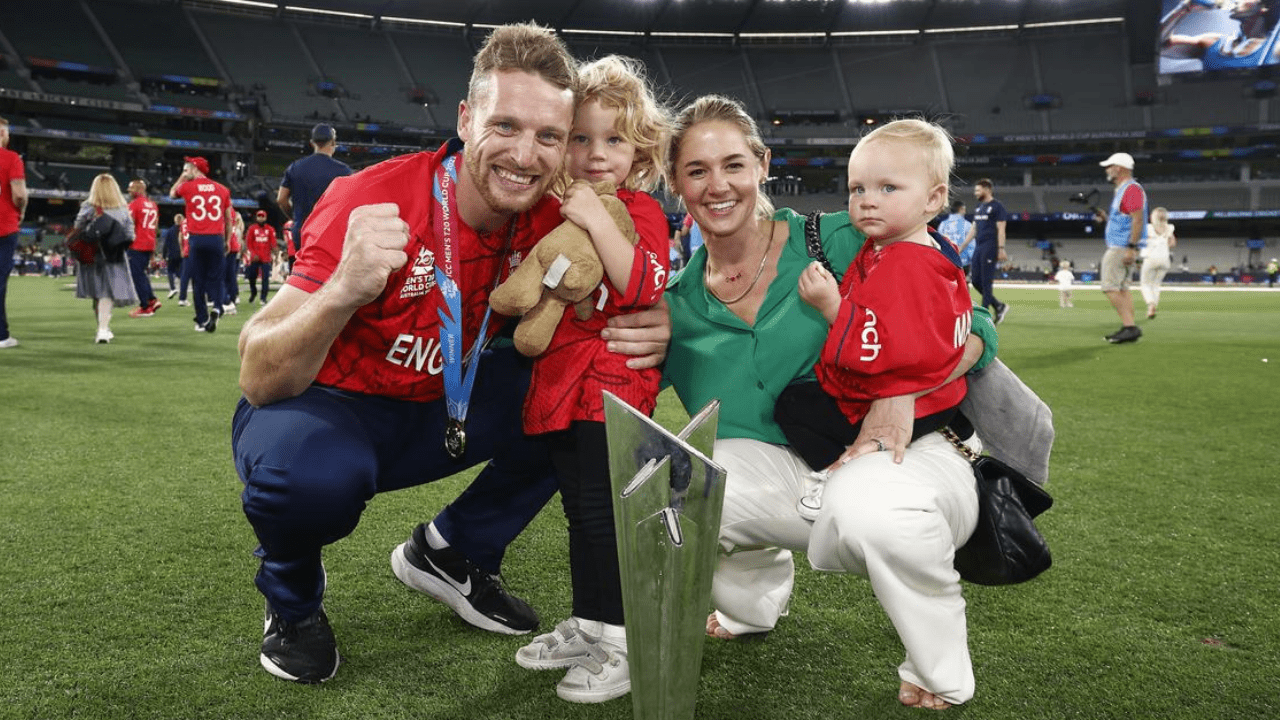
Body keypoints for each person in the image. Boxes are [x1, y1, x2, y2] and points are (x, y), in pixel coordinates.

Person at [232, 23, 662, 686]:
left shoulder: (553, 211)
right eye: (506, 126)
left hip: (444, 404)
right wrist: (343, 290)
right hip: (334, 406)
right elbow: (259, 374)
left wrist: (659, 320)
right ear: (466, 119)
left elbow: (634, 272)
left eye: (549, 136)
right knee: (307, 481)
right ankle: (292, 603)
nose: (526, 155)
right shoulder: (373, 196)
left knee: (583, 399)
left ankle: (453, 550)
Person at [655, 96, 998, 710]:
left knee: (870, 508)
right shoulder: (675, 307)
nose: (718, 185)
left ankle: (938, 666)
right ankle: (751, 605)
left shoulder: (844, 236)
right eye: (696, 170)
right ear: (674, 183)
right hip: (801, 472)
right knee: (676, 483)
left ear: (763, 165)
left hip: (912, 451)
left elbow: (974, 324)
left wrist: (900, 392)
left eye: (733, 164)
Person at [511, 54, 671, 704]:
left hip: (612, 388)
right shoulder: (551, 210)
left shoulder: (639, 211)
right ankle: (588, 622)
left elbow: (639, 284)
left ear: (640, 151)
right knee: (581, 515)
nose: (595, 153)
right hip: (558, 387)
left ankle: (623, 640)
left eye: (613, 139)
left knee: (607, 519)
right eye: (580, 138)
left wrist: (598, 218)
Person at [67, 174, 138, 343]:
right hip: (114, 255)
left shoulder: (88, 206)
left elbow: (78, 227)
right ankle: (103, 329)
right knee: (107, 293)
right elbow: (130, 234)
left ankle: (102, 327)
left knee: (97, 293)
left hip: (91, 255)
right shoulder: (122, 208)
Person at [168, 156, 231, 332]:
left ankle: (202, 320)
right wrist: (227, 239)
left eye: (187, 168)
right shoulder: (222, 189)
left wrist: (182, 176)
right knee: (217, 278)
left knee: (198, 282)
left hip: (196, 238)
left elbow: (172, 194)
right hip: (216, 237)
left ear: (194, 169)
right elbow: (227, 218)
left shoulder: (188, 187)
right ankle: (218, 308)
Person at [277, 123, 351, 257]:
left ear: (312, 143)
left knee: (302, 272)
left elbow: (281, 199)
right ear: (333, 142)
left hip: (302, 230)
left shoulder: (295, 167)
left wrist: (295, 217)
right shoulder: (344, 171)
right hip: (330, 232)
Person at [1095, 152, 1147, 343]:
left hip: (1120, 247)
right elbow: (1127, 219)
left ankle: (1130, 327)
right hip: (1124, 245)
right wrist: (1106, 219)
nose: (1107, 170)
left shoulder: (1130, 189)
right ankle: (1129, 328)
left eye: (1110, 166)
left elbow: (1138, 219)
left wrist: (1131, 247)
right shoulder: (1126, 190)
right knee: (1123, 289)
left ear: (1119, 168)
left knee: (1110, 287)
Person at [1160, 0, 1280, 72]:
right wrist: (1185, 8)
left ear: (1263, 8)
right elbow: (1162, 44)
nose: (1236, 0)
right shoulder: (1212, 43)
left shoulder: (1274, 49)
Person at [959, 179, 1009, 323]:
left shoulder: (997, 207)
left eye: (978, 190)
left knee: (986, 282)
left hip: (990, 246)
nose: (975, 193)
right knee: (975, 281)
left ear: (987, 189)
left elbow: (1001, 230)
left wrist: (1001, 248)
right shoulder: (978, 207)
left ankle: (984, 316)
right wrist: (962, 246)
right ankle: (998, 305)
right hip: (979, 246)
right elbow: (974, 228)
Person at [0, 116, 28, 349]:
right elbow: (18, 194)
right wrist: (22, 209)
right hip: (4, 226)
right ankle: (0, 335)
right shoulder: (11, 158)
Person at [125, 179, 161, 318]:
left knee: (136, 275)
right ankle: (152, 299)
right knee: (142, 273)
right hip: (149, 242)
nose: (130, 193)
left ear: (139, 189)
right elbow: (156, 227)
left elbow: (129, 225)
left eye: (132, 189)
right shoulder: (153, 205)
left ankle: (145, 306)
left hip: (136, 244)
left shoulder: (134, 205)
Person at [1141, 206, 1177, 318]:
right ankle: (1154, 306)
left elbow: (1140, 241)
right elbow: (1173, 244)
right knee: (1156, 285)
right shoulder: (1169, 228)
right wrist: (1163, 242)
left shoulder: (1148, 228)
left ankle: (1151, 305)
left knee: (1145, 284)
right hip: (1164, 259)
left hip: (1151, 258)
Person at [244, 209, 276, 305]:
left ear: (265, 218)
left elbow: (273, 242)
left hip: (266, 257)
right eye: (259, 216)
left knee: (265, 278)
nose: (261, 218)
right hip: (255, 258)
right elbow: (248, 243)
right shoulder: (252, 229)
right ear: (256, 217)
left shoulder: (270, 229)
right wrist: (253, 254)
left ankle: (263, 298)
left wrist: (276, 252)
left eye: (262, 216)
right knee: (251, 277)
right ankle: (253, 292)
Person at [936, 200, 974, 277]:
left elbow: (938, 243)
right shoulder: (967, 225)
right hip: (963, 260)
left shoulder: (943, 225)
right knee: (964, 285)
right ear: (961, 209)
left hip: (947, 259)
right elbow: (972, 245)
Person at [223, 210, 244, 315]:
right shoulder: (238, 228)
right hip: (235, 250)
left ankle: (226, 301)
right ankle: (232, 299)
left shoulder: (224, 212)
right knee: (231, 276)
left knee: (221, 276)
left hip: (226, 248)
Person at [161, 213, 183, 299]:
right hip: (182, 254)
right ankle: (182, 290)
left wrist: (163, 255)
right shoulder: (184, 230)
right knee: (180, 272)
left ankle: (173, 288)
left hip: (172, 254)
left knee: (170, 271)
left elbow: (166, 244)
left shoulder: (170, 231)